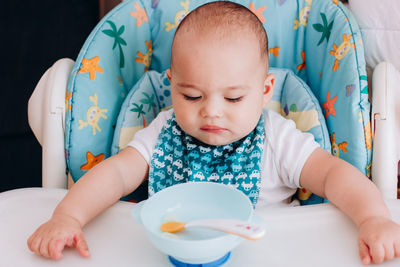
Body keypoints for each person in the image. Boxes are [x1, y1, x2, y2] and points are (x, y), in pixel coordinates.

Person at [28, 1, 400, 265]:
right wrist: (69, 217)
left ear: (265, 90)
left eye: (234, 97)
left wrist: (372, 219)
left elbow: (335, 176)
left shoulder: (278, 138)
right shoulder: (163, 129)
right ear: (171, 85)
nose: (211, 111)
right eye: (191, 95)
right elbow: (115, 174)